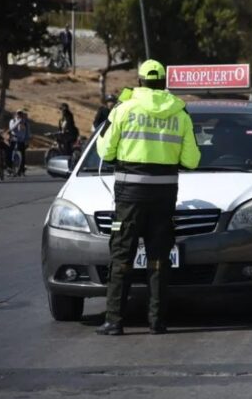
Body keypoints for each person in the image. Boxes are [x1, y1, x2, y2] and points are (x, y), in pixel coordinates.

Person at [95, 59, 201, 336]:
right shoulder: (180, 113)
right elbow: (192, 160)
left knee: (121, 258)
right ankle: (157, 322)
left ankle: (114, 322)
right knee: (158, 260)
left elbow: (105, 152)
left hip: (129, 198)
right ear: (164, 82)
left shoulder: (124, 109)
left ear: (140, 81)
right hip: (163, 198)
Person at [8, 110, 30, 176]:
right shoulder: (12, 121)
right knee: (11, 154)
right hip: (13, 139)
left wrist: (27, 140)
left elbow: (27, 132)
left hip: (21, 141)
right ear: (16, 115)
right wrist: (18, 122)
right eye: (18, 114)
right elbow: (11, 128)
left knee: (22, 155)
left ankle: (22, 170)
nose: (19, 116)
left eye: (21, 114)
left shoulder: (25, 123)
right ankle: (10, 168)